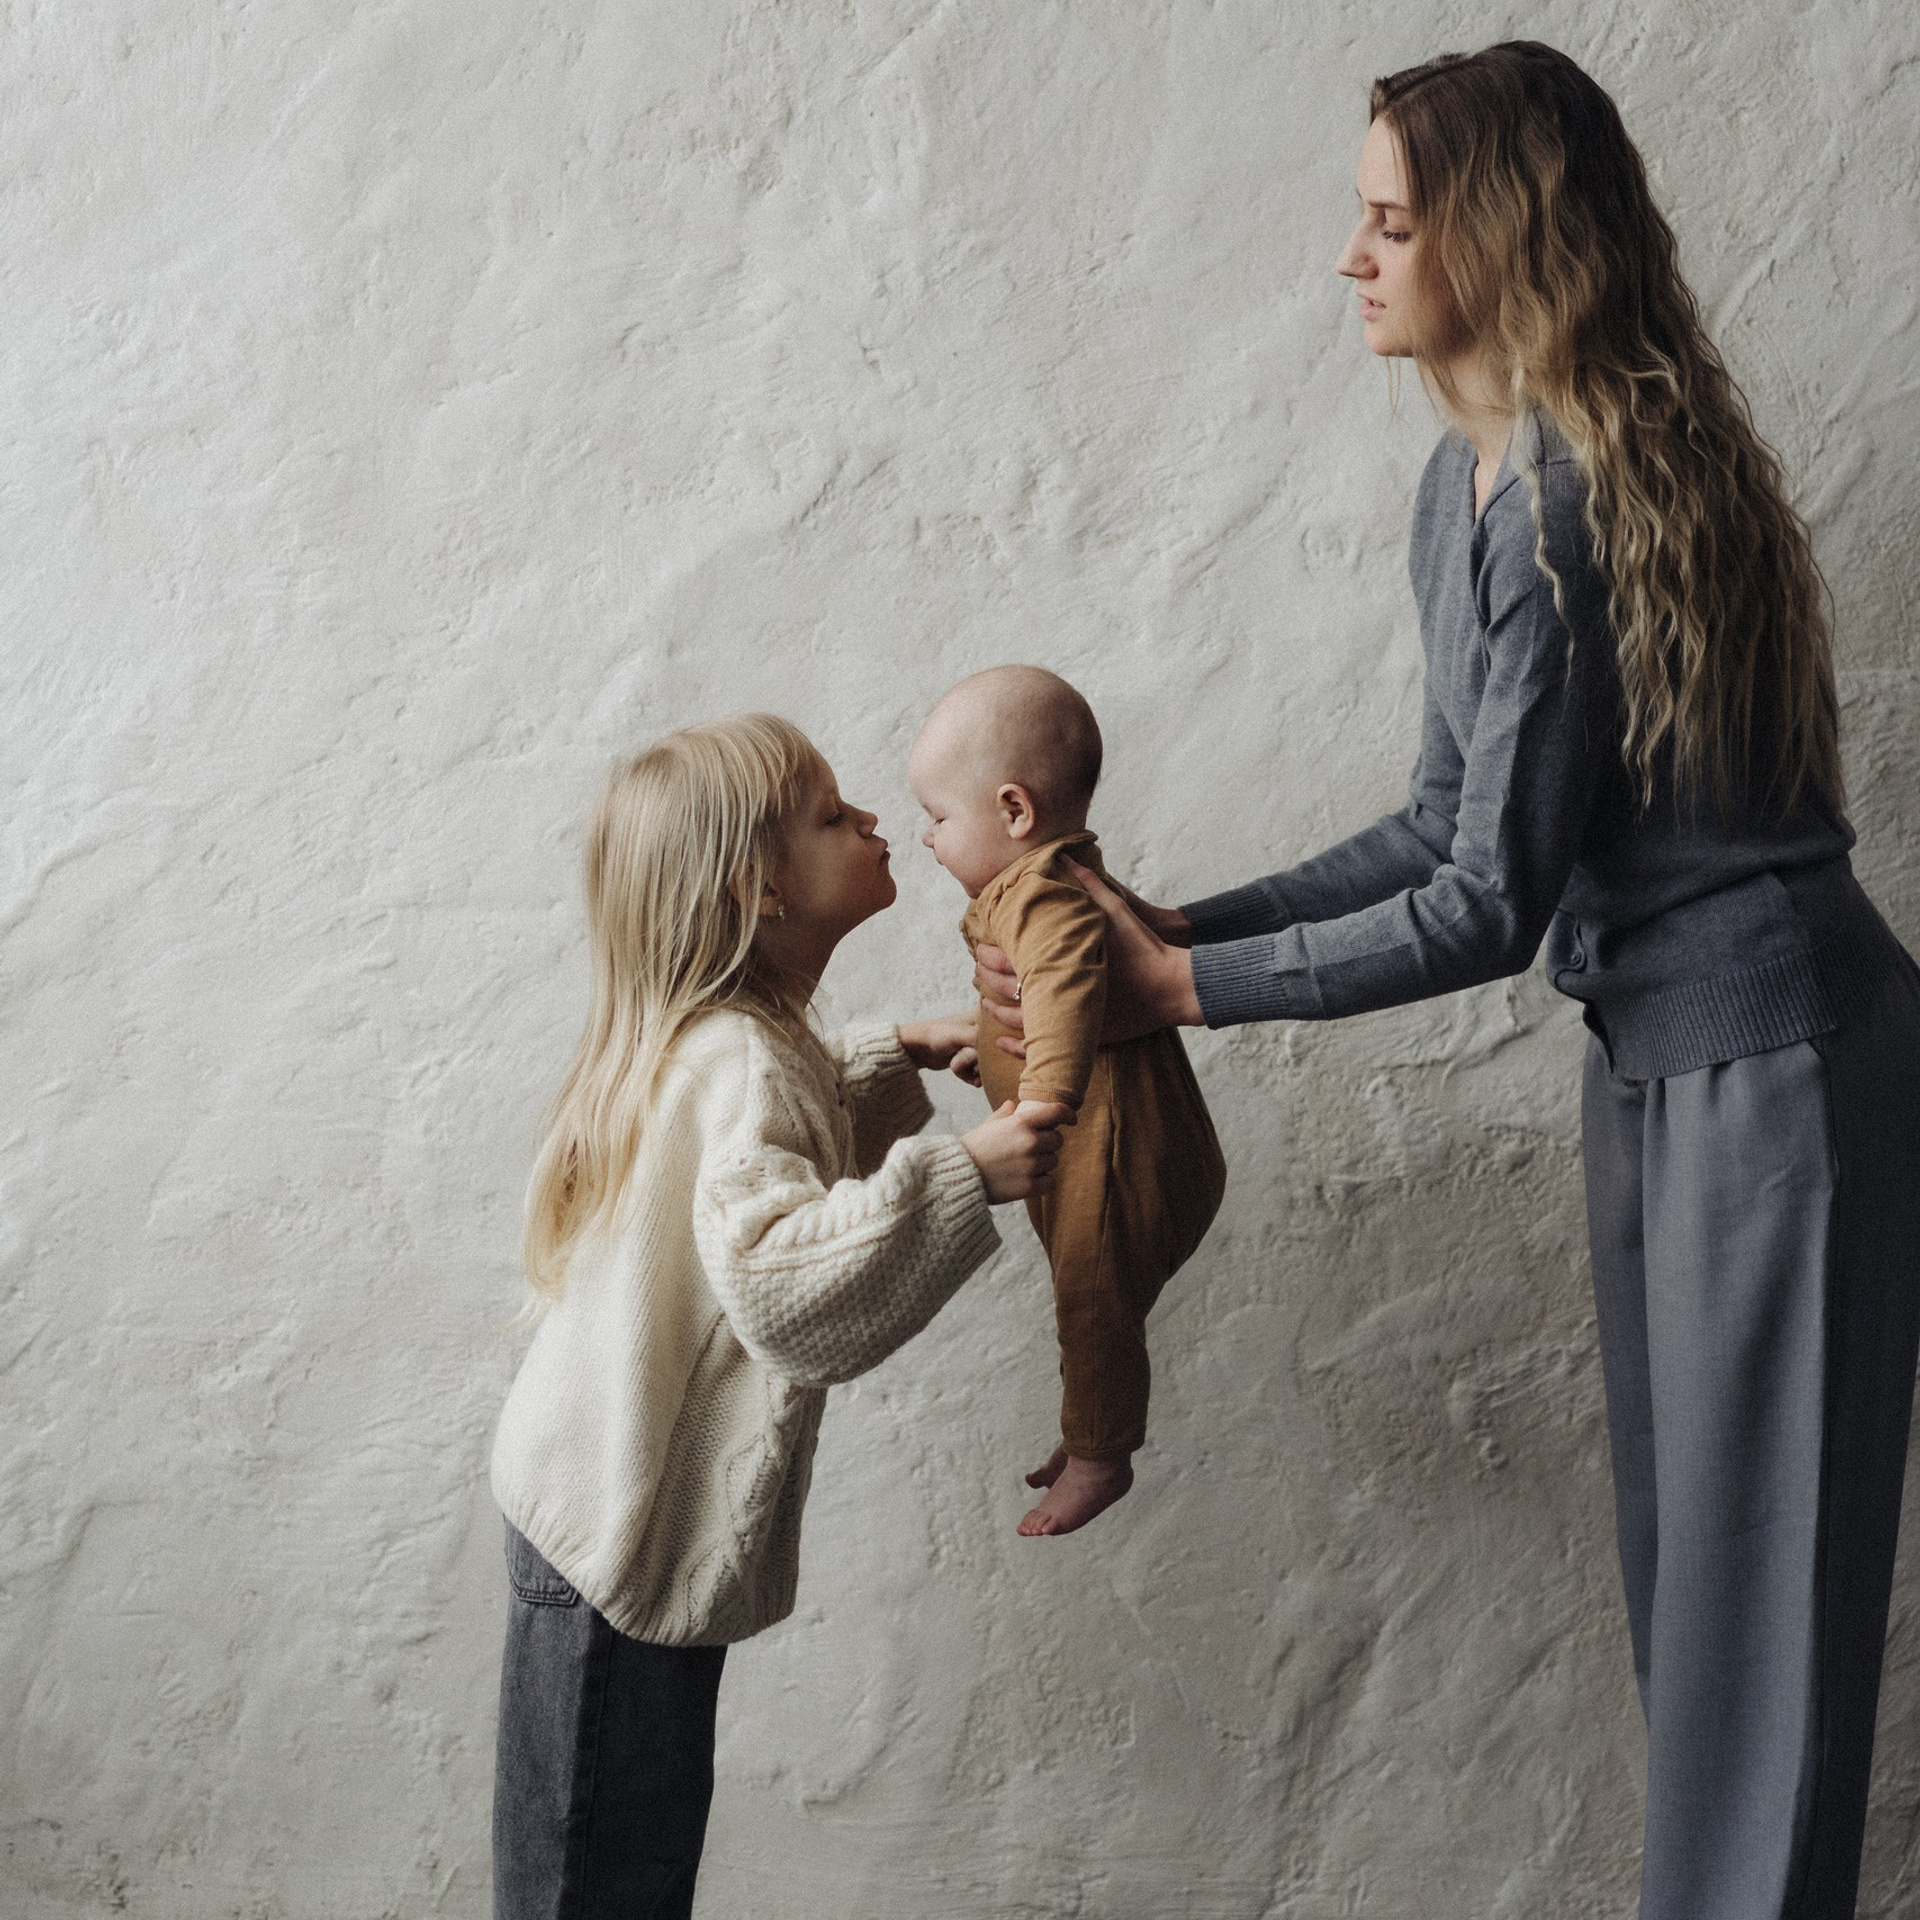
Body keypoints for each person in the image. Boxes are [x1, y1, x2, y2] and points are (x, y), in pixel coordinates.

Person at [980, 42, 1920, 1920]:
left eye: (1391, 221)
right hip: (1656, 1064)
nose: (1352, 256)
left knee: (1762, 1627)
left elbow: (1487, 902)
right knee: (1697, 1590)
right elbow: (1436, 821)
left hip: (1777, 1072)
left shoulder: (1573, 504)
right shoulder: (1468, 490)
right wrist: (1180, 935)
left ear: (1497, 241)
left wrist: (1181, 994)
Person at [488, 714, 1069, 1920]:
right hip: (620, 1543)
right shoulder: (741, 1062)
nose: (867, 819)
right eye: (829, 813)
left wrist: (895, 1053)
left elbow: (751, 1163)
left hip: (597, 1518)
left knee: (614, 1868)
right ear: (758, 890)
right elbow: (782, 1288)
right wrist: (971, 1172)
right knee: (594, 1888)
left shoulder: (733, 1044)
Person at [909, 666, 1226, 1536]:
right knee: (1095, 1311)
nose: (928, 840)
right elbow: (1052, 1004)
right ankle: (1090, 1428)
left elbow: (1066, 981)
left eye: (938, 817)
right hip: (1107, 1148)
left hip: (1113, 1152)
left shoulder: (1042, 892)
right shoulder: (1059, 876)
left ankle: (1100, 1453)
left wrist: (1039, 1097)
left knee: (1091, 1300)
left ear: (1013, 811)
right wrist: (990, 1049)